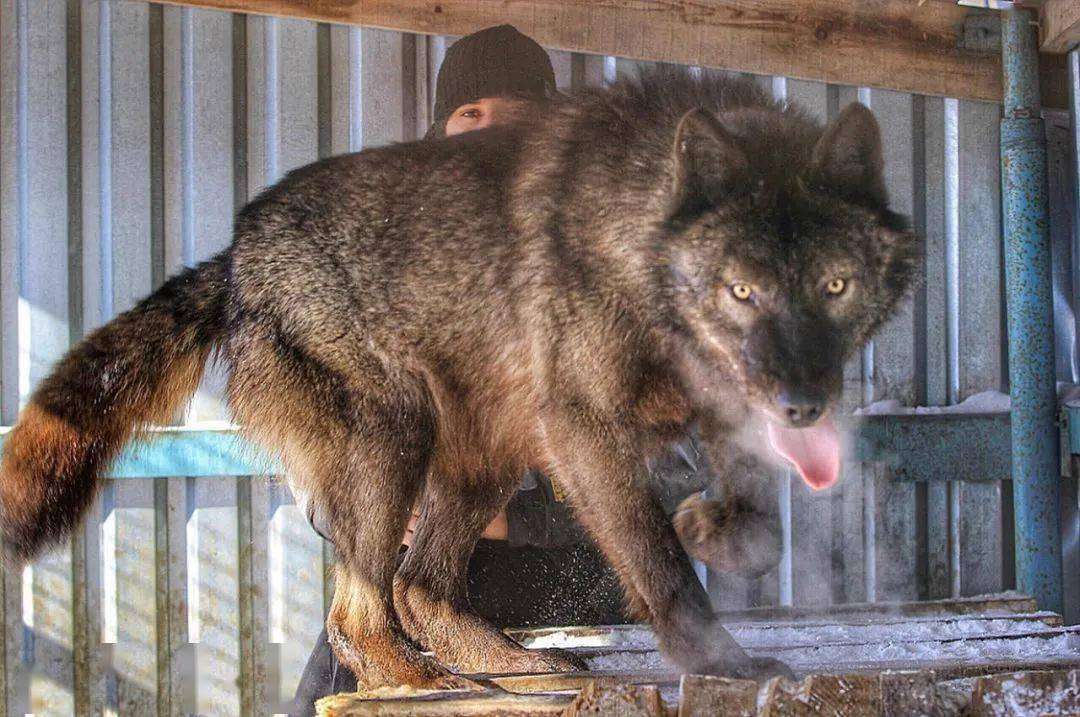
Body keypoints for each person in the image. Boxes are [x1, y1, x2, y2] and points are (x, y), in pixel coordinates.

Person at [290, 25, 711, 716]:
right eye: (470, 115)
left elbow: (684, 467)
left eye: (516, 119)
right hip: (418, 612)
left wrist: (520, 519)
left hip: (594, 610)